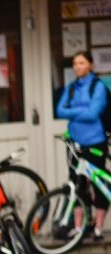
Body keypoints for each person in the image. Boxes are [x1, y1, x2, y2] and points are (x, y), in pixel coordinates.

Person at [57, 50, 109, 240]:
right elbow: (60, 110)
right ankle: (78, 227)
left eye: (81, 63)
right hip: (74, 142)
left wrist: (74, 110)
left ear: (90, 65)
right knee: (76, 184)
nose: (77, 67)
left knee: (99, 182)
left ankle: (98, 227)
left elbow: (93, 114)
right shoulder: (71, 87)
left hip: (95, 141)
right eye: (74, 63)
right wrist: (82, 110)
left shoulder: (98, 87)